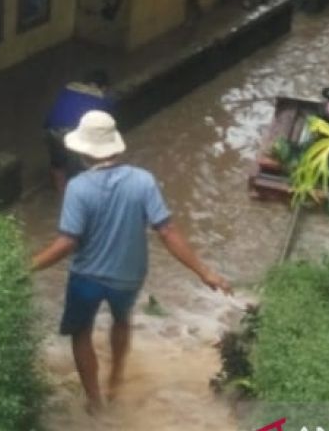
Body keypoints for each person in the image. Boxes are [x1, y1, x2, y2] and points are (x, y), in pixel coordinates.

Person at [30, 110, 232, 415]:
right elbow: (168, 232)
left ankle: (95, 401)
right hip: (129, 276)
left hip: (87, 278)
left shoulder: (78, 187)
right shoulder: (143, 181)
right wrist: (205, 273)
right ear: (115, 146)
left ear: (84, 150)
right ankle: (115, 380)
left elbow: (67, 242)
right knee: (121, 321)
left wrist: (27, 267)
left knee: (81, 332)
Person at [44, 70, 114, 194]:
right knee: (81, 168)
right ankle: (84, 196)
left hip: (50, 128)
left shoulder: (68, 89)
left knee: (57, 163)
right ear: (103, 87)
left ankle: (62, 192)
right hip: (72, 131)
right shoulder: (102, 99)